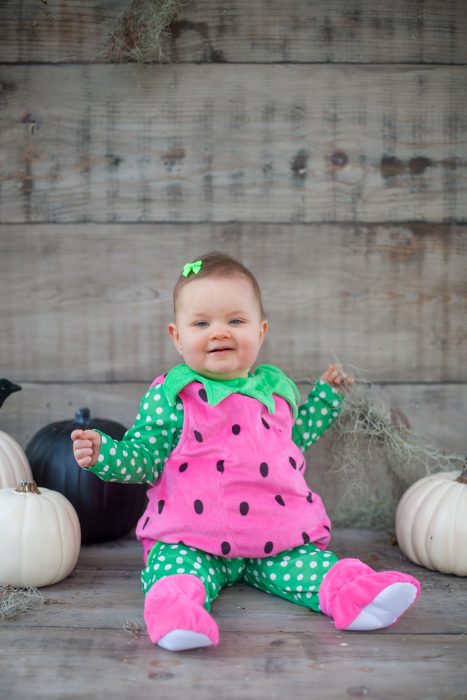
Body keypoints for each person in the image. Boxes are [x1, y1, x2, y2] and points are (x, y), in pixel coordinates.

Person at [71, 251, 420, 652]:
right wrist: (105, 454)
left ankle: (353, 593)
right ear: (177, 336)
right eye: (202, 323)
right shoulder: (173, 395)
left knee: (314, 568)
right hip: (191, 539)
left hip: (273, 537)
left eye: (235, 321)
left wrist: (325, 399)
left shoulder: (274, 392)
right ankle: (174, 614)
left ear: (261, 330)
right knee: (174, 574)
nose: (220, 332)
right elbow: (144, 456)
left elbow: (292, 445)